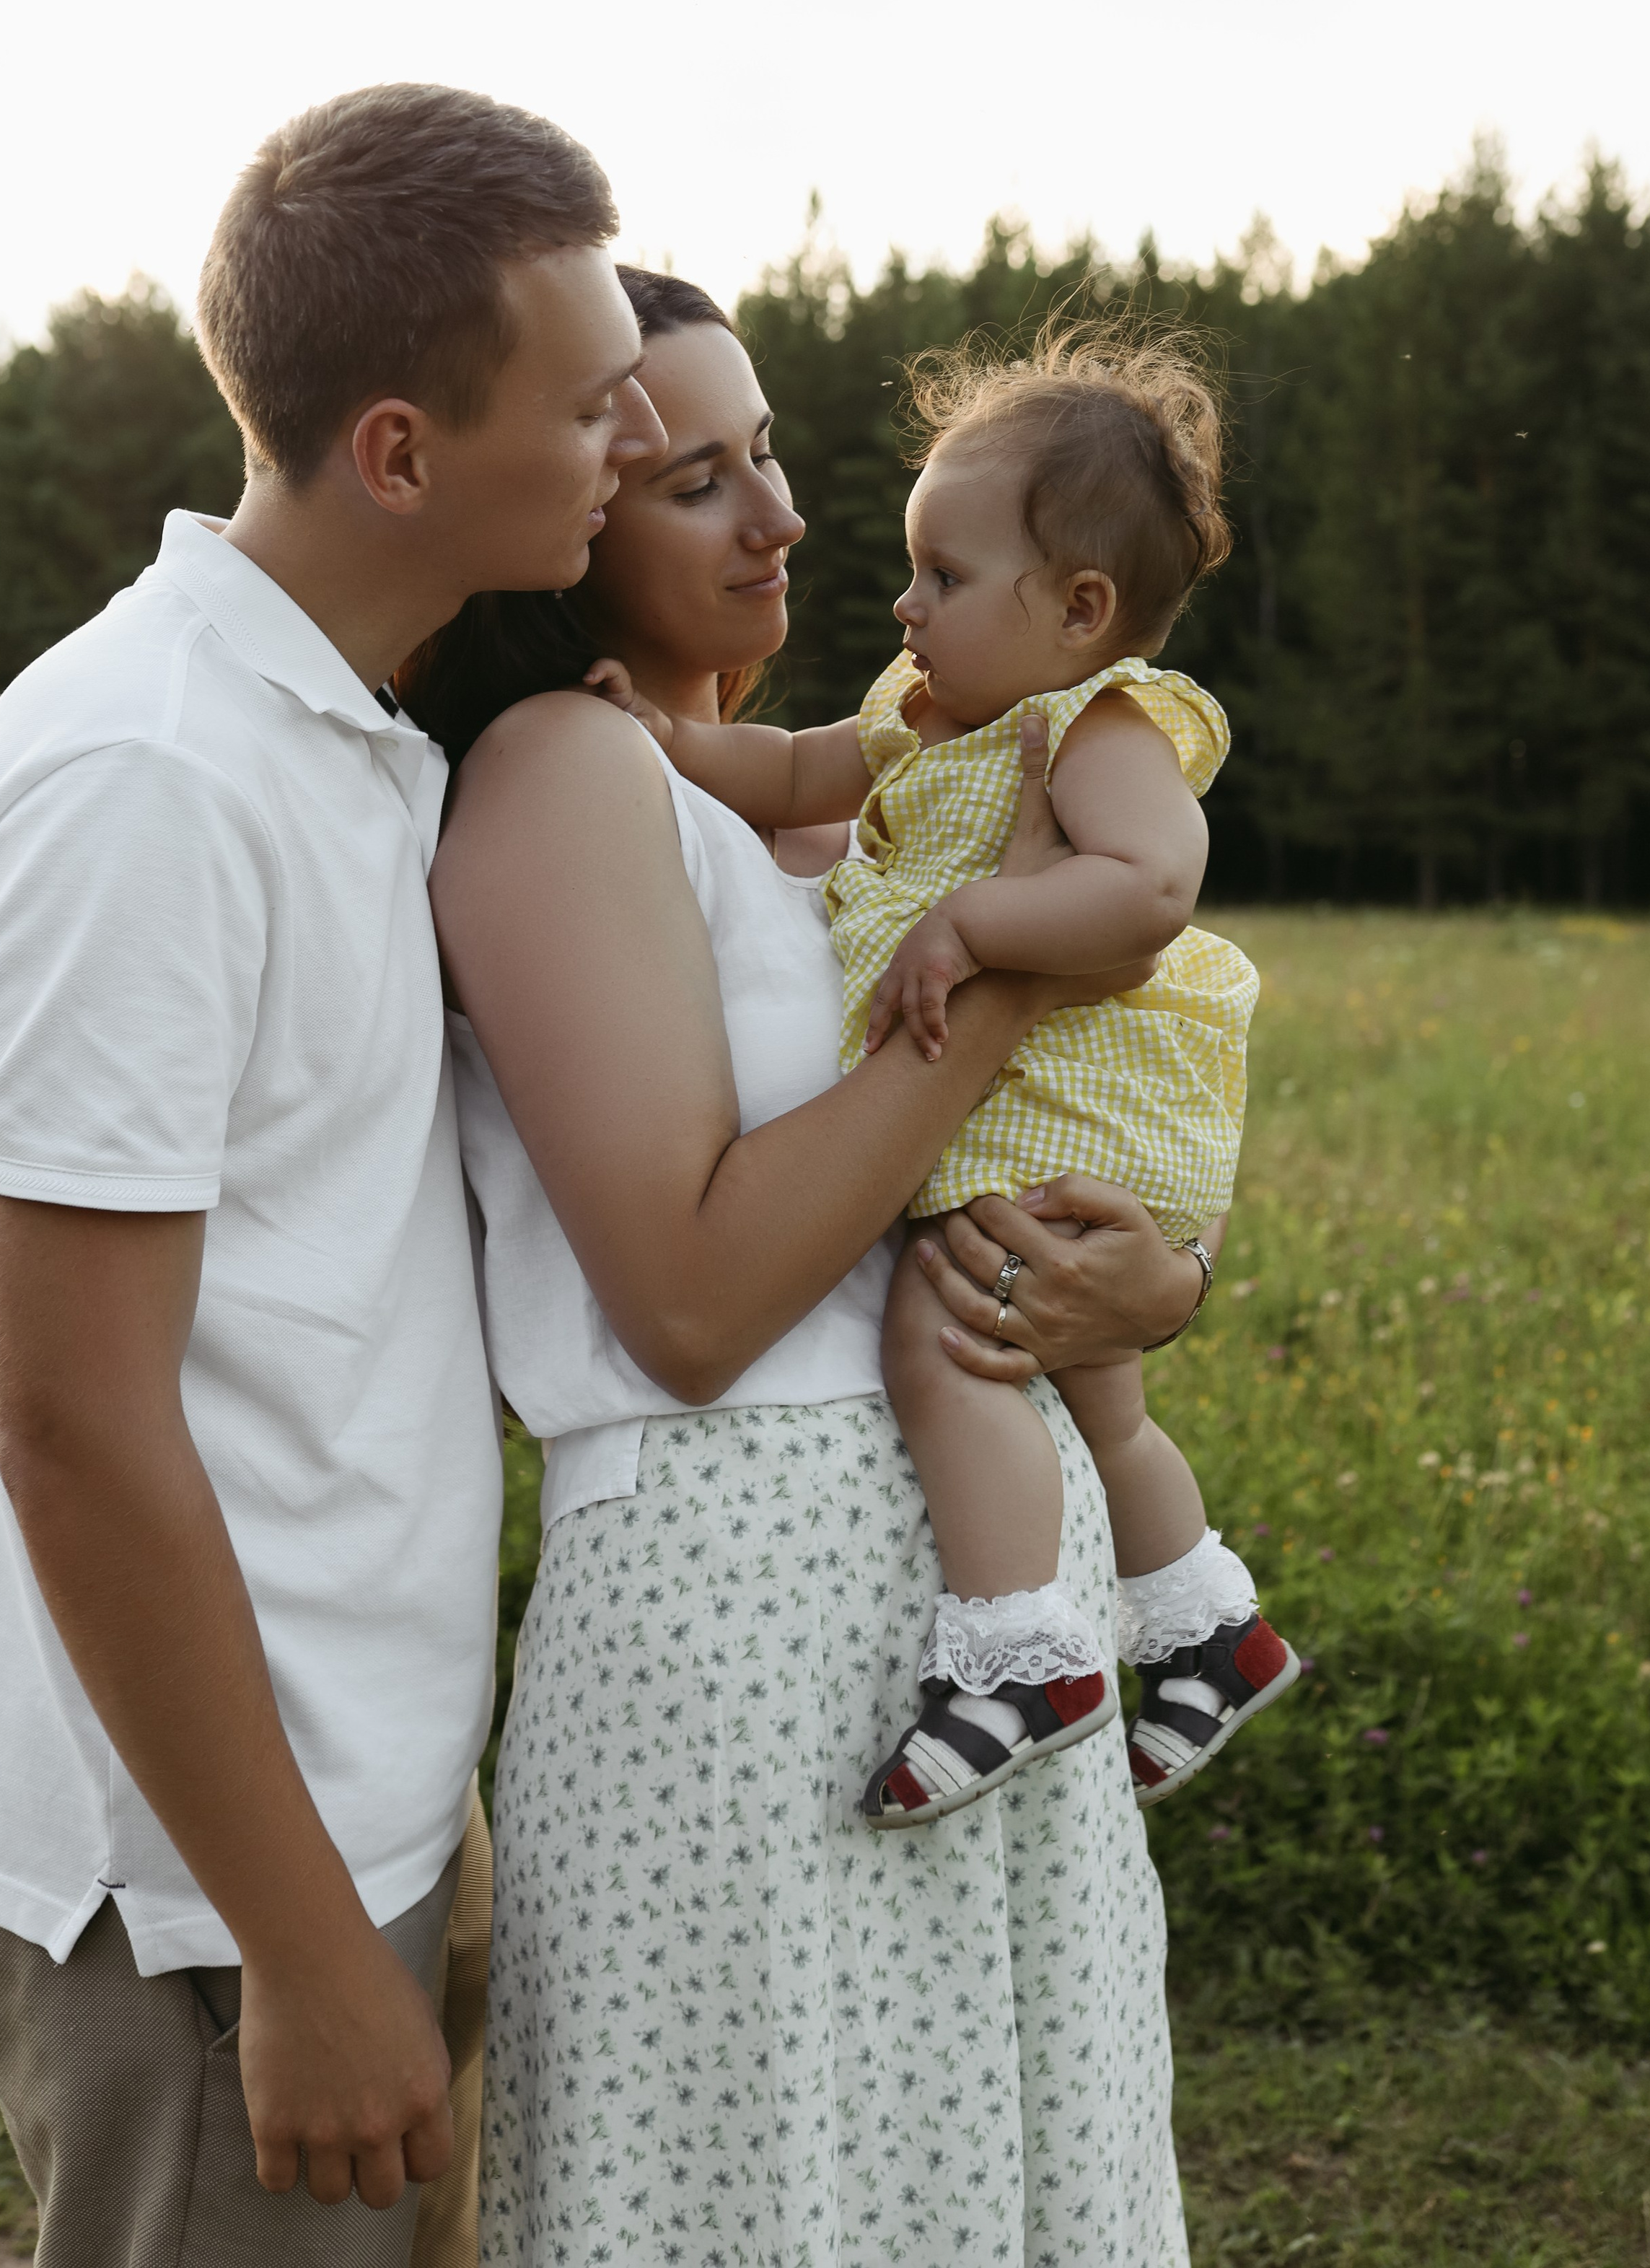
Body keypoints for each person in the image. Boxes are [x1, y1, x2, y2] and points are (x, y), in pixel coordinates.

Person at [400, 268, 1216, 2267]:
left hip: (978, 1602)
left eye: (767, 454)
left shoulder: (861, 789)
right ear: (570, 523)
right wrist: (1020, 966)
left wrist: (1150, 1290)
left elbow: (1030, 1161)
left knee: (992, 2184)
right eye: (695, 480)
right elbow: (689, 1308)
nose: (779, 519)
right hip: (749, 1610)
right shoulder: (557, 774)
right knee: (771, 2189)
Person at [0, 83, 667, 2267]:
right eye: (596, 402)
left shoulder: (342, 736)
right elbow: (72, 1416)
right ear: (403, 454)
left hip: (344, 1803)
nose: (627, 445)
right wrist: (303, 1951)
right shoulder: (147, 781)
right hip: (194, 1904)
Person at [587, 325, 1298, 1827]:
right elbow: (783, 771)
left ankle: (1015, 1654)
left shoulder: (1089, 726)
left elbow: (1155, 886)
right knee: (1101, 1404)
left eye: (945, 579)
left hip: (1084, 1096)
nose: (902, 607)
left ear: (1080, 609)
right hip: (1048, 1109)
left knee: (941, 1340)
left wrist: (977, 920)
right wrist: (654, 742)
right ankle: (1203, 1623)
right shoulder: (930, 722)